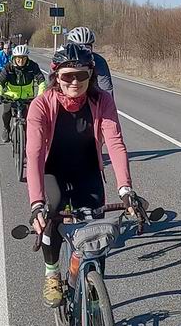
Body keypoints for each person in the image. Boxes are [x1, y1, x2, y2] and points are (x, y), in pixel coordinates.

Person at [25, 43, 142, 307]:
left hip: (87, 170)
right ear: (56, 76)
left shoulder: (103, 101)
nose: (75, 82)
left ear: (91, 75)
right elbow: (32, 154)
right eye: (68, 76)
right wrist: (36, 204)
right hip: (53, 170)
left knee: (96, 234)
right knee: (51, 215)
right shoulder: (41, 105)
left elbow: (115, 143)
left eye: (81, 75)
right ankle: (52, 274)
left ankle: (90, 286)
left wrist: (125, 190)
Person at [0, 45, 46, 142]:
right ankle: (6, 128)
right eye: (18, 58)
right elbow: (0, 82)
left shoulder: (32, 66)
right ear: (14, 58)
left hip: (27, 97)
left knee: (30, 118)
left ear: (27, 58)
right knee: (6, 112)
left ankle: (28, 141)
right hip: (11, 96)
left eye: (23, 58)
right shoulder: (8, 68)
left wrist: (40, 96)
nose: (21, 61)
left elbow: (41, 81)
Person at [66, 26, 113, 97]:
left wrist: (108, 105)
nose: (83, 53)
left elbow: (106, 88)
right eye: (79, 48)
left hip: (90, 97)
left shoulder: (99, 61)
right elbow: (52, 86)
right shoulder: (62, 61)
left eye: (86, 49)